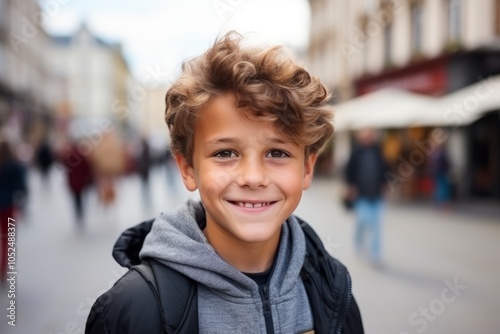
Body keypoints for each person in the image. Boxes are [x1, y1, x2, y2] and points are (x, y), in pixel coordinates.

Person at [85, 32, 364, 334]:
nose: (253, 177)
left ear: (306, 169)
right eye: (225, 153)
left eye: (277, 153)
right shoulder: (131, 310)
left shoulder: (333, 288)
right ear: (188, 168)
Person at [346, 128, 388, 265]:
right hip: (361, 195)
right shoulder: (356, 152)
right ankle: (358, 246)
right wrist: (350, 186)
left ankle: (375, 254)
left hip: (376, 195)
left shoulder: (379, 151)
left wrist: (385, 184)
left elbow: (386, 168)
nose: (369, 137)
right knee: (361, 223)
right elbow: (349, 170)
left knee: (376, 225)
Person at [0, 141, 27, 280]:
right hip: (8, 205)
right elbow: (21, 185)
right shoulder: (13, 165)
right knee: (7, 238)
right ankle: (3, 268)